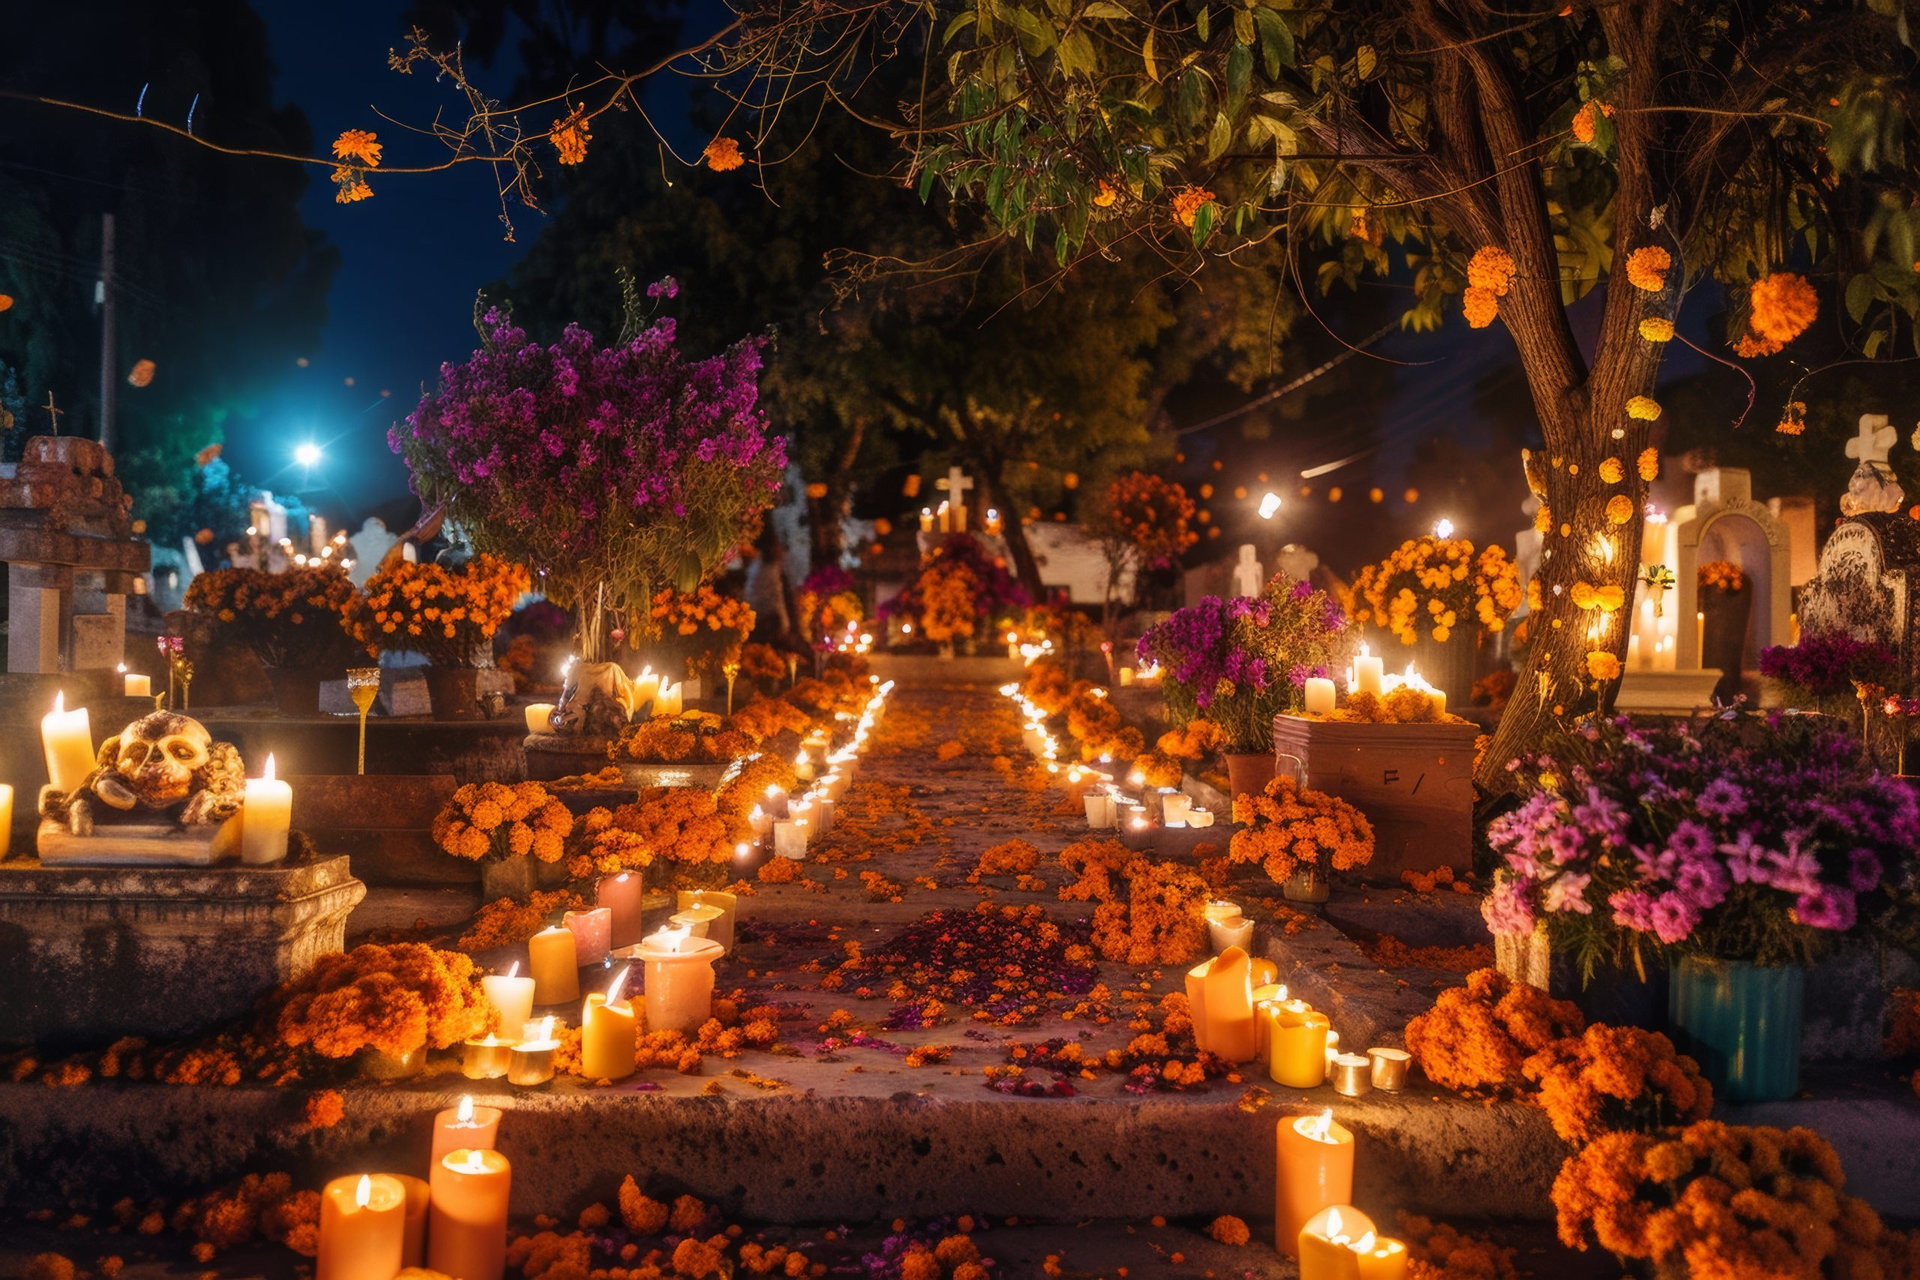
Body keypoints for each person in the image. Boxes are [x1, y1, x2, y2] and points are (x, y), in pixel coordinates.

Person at [745, 526, 794, 643]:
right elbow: (775, 601)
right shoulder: (767, 571)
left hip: (763, 622)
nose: (782, 550)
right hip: (766, 626)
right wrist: (785, 626)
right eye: (779, 546)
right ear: (771, 548)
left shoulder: (764, 566)